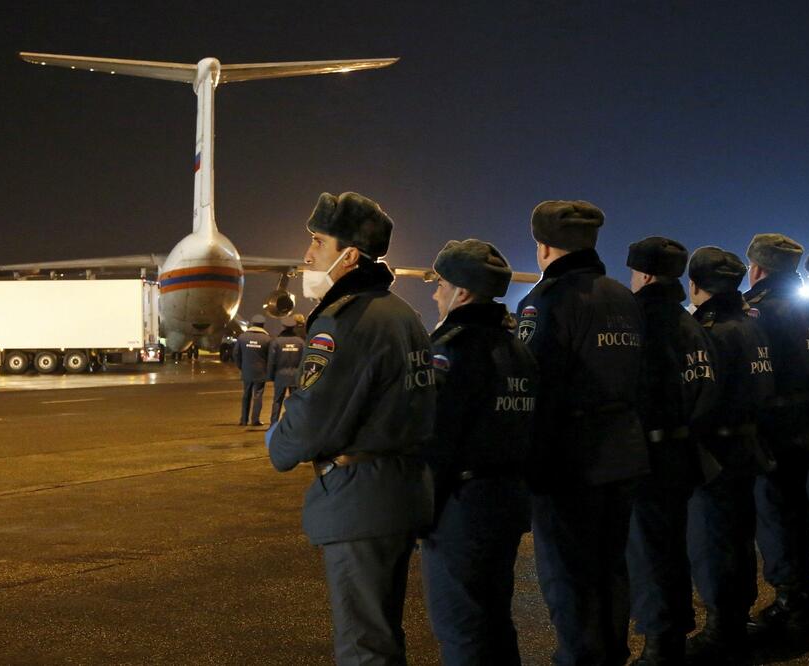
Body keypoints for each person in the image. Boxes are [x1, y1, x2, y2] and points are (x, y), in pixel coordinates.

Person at [268, 191, 435, 665]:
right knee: (382, 635)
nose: (307, 255)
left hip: (360, 500)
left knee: (363, 646)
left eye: (318, 243)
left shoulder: (346, 322)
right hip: (399, 492)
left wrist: (275, 441)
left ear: (350, 256)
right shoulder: (403, 314)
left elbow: (307, 422)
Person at [516, 200, 648, 666]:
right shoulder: (622, 297)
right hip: (623, 451)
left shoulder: (546, 301)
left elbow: (536, 384)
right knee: (611, 569)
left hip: (570, 461)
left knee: (568, 578)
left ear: (544, 246)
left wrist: (528, 464)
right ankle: (612, 655)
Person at [422, 239, 537, 665]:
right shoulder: (518, 350)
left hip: (460, 509)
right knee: (494, 619)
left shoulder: (449, 349)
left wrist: (419, 512)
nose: (435, 294)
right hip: (507, 501)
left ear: (462, 293)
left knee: (461, 628)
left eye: (441, 285)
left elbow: (436, 438)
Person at [623, 237, 720, 665]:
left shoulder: (638, 322)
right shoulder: (690, 323)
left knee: (648, 553)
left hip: (645, 456)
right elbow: (706, 388)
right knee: (671, 547)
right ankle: (673, 636)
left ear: (642, 274)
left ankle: (661, 645)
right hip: (682, 451)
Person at [683, 246, 776, 665]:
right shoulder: (751, 324)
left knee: (713, 541)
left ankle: (723, 631)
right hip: (747, 445)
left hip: (716, 451)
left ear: (696, 285)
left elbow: (700, 397)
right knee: (739, 539)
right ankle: (735, 621)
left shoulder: (709, 330)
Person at [742, 234, 809, 645]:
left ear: (758, 268)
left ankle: (791, 605)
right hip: (808, 424)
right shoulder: (807, 311)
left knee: (777, 516)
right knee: (800, 515)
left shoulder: (760, 312)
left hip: (775, 430)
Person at [266, 313, 306, 426]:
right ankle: (294, 423)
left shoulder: (276, 342)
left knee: (277, 400)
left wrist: (270, 376)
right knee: (295, 401)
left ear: (283, 327)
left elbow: (271, 361)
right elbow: (304, 360)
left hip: (280, 375)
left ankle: (273, 423)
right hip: (295, 376)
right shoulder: (300, 342)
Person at [232, 314, 270, 426]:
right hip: (261, 372)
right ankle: (255, 420)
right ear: (262, 325)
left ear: (252, 324)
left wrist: (241, 366)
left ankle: (243, 420)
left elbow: (236, 354)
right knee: (258, 395)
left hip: (246, 371)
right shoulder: (267, 339)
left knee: (246, 394)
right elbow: (270, 357)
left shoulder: (242, 337)